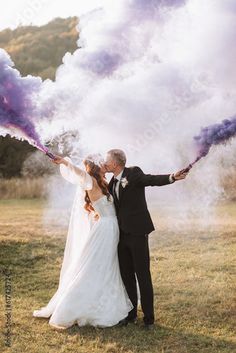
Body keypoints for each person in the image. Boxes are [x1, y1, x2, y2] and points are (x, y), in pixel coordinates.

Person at [33, 154, 133, 329]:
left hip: (110, 228)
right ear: (95, 168)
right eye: (101, 163)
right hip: (105, 231)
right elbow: (79, 173)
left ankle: (103, 297)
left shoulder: (103, 183)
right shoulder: (91, 182)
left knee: (108, 265)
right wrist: (64, 162)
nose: (105, 164)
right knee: (96, 265)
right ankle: (73, 306)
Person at [105, 149, 189, 330]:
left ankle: (149, 319)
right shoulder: (111, 181)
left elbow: (151, 180)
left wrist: (172, 177)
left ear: (115, 163)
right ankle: (131, 314)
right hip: (121, 236)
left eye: (107, 161)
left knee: (142, 276)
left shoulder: (133, 173)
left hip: (137, 233)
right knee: (127, 276)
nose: (105, 163)